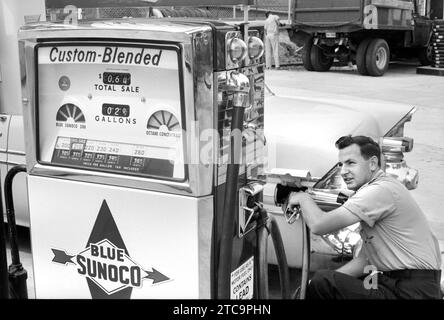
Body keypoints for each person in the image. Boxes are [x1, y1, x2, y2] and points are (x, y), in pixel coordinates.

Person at [285, 135, 442, 299]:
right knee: (330, 282)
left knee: (322, 282)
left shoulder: (379, 191)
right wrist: (314, 285)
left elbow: (319, 225)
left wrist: (303, 198)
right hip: (404, 284)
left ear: (373, 163)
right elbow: (364, 261)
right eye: (341, 164)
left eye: (351, 163)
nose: (344, 171)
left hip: (411, 291)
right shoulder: (382, 187)